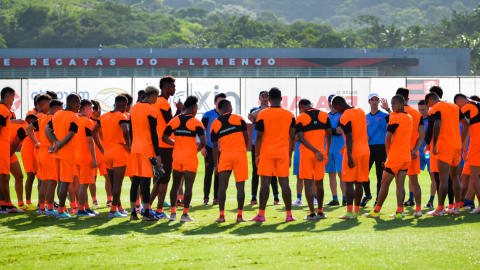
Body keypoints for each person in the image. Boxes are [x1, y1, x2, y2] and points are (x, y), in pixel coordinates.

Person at [249, 87, 296, 222]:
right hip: (283, 153)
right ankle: (289, 215)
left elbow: (258, 137)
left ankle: (261, 215)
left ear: (269, 100)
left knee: (264, 184)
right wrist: (290, 155)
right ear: (281, 99)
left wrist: (257, 155)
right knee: (285, 184)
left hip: (267, 153)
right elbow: (292, 137)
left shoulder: (263, 114)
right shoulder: (290, 114)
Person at [365, 95, 413, 219]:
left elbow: (388, 136)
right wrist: (389, 110)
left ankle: (376, 210)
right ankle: (399, 211)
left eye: (394, 104)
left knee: (384, 183)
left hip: (395, 157)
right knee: (400, 184)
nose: (392, 106)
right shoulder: (409, 117)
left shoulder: (395, 118)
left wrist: (388, 151)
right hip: (406, 157)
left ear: (401, 104)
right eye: (391, 104)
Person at [162, 96, 206, 222]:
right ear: (193, 108)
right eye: (196, 108)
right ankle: (185, 215)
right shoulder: (196, 122)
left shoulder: (174, 120)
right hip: (190, 158)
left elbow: (164, 137)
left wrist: (175, 144)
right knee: (189, 187)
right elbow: (203, 142)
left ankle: (172, 214)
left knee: (175, 185)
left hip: (177, 157)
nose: (196, 110)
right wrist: (195, 151)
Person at [425, 92, 469, 216]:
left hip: (444, 146)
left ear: (430, 102)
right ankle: (457, 208)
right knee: (455, 177)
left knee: (443, 178)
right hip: (456, 146)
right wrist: (460, 141)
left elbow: (436, 125)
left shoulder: (436, 108)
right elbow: (466, 123)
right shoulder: (454, 106)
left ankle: (440, 209)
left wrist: (432, 144)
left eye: (428, 105)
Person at [149, 76, 183, 219]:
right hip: (165, 145)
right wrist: (180, 111)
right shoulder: (163, 103)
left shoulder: (156, 102)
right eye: (172, 87)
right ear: (165, 88)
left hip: (159, 144)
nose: (174, 89)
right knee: (164, 179)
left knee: (159, 179)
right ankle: (159, 211)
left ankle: (148, 207)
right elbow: (171, 123)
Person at [92, 95, 131, 218]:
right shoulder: (122, 115)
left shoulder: (104, 116)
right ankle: (113, 210)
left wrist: (101, 148)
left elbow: (94, 131)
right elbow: (126, 131)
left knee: (114, 183)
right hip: (119, 151)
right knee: (118, 184)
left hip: (107, 152)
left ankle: (118, 207)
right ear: (124, 106)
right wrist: (129, 145)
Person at [211, 99, 249, 222]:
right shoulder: (239, 118)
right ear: (228, 106)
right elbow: (246, 137)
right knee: (240, 188)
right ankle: (239, 216)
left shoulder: (215, 123)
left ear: (218, 109)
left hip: (225, 156)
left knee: (222, 187)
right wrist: (242, 150)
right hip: (240, 155)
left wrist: (216, 164)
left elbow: (215, 147)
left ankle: (221, 216)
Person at [332, 95, 370, 220]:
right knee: (359, 183)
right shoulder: (360, 110)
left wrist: (349, 156)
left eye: (336, 109)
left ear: (339, 105)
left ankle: (349, 213)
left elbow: (349, 136)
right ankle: (356, 212)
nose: (337, 111)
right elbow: (358, 133)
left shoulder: (345, 116)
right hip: (365, 151)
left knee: (348, 183)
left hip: (353, 153)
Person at [129, 86, 162, 221]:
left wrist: (132, 145)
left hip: (135, 148)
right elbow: (154, 134)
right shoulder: (151, 110)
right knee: (146, 181)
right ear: (153, 96)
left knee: (135, 180)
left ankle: (133, 213)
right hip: (147, 149)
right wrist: (158, 154)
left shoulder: (134, 108)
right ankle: (147, 213)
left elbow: (131, 130)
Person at [46, 94, 81, 219]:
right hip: (67, 153)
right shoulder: (74, 117)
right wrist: (60, 144)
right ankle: (61, 211)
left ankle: (62, 209)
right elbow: (71, 134)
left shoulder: (57, 114)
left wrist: (56, 142)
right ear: (74, 103)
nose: (79, 106)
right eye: (79, 103)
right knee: (64, 184)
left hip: (57, 153)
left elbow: (47, 130)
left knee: (60, 183)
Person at [296, 99, 332, 220]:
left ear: (301, 107)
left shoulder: (301, 117)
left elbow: (300, 138)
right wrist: (324, 152)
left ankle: (312, 214)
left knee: (307, 183)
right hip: (321, 154)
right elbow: (329, 134)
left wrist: (314, 151)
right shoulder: (324, 114)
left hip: (306, 153)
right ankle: (321, 212)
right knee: (319, 183)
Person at [27, 99, 63, 216]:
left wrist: (36, 142)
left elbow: (29, 129)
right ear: (57, 109)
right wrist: (53, 143)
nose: (62, 111)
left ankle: (42, 208)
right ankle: (50, 208)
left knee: (43, 182)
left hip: (41, 152)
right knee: (52, 183)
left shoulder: (41, 118)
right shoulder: (53, 118)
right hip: (49, 152)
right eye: (61, 108)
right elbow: (49, 131)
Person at [394, 88, 425, 213]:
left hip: (399, 153)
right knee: (414, 182)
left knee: (399, 183)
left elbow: (390, 134)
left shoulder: (396, 114)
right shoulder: (417, 114)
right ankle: (418, 210)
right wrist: (415, 150)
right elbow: (422, 134)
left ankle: (400, 210)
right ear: (407, 99)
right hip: (412, 153)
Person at [248, 91, 281, 205]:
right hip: (256, 144)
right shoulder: (256, 108)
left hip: (269, 143)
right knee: (256, 171)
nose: (265, 99)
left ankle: (276, 197)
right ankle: (253, 197)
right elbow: (253, 114)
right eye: (263, 97)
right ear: (260, 98)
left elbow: (254, 117)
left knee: (272, 171)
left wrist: (261, 114)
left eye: (267, 97)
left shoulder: (272, 110)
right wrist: (263, 110)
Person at [22, 94, 51, 210]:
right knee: (34, 176)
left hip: (36, 149)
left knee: (40, 177)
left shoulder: (41, 115)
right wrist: (36, 142)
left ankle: (40, 203)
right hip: (32, 149)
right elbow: (29, 128)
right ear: (42, 104)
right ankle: (31, 202)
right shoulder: (40, 116)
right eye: (50, 103)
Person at [454, 93, 480, 213]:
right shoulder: (477, 105)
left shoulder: (466, 107)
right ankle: (464, 202)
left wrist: (462, 148)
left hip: (476, 145)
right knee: (467, 175)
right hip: (474, 146)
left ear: (459, 101)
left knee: (474, 176)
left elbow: (465, 128)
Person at [363, 93, 390, 207]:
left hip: (381, 148)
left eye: (376, 100)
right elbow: (360, 131)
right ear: (369, 102)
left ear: (379, 102)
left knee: (380, 175)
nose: (374, 102)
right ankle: (368, 194)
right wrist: (364, 135)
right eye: (372, 100)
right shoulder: (365, 117)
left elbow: (397, 118)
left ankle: (378, 200)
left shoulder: (384, 115)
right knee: (363, 174)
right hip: (368, 148)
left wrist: (388, 109)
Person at [74, 99, 99, 217]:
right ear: (86, 108)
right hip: (85, 157)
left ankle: (86, 208)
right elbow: (90, 141)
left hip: (76, 156)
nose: (92, 111)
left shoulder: (75, 119)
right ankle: (81, 210)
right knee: (84, 184)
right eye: (91, 108)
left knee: (80, 183)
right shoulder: (88, 122)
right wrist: (94, 158)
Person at [201, 93, 225, 205]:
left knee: (219, 173)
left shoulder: (226, 116)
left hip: (222, 149)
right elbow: (201, 131)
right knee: (209, 172)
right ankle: (206, 198)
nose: (221, 103)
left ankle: (216, 198)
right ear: (215, 102)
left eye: (223, 101)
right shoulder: (208, 114)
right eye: (219, 101)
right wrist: (203, 146)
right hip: (210, 148)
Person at [9, 115, 37, 211]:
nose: (35, 126)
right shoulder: (25, 127)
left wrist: (12, 120)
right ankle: (5, 205)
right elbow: (14, 145)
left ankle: (20, 203)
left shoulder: (21, 123)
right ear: (30, 121)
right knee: (4, 177)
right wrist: (5, 159)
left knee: (19, 176)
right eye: (34, 123)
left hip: (8, 150)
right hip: (6, 150)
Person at [325, 94, 346, 206]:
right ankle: (335, 199)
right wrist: (331, 130)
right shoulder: (325, 116)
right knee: (331, 175)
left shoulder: (342, 115)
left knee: (341, 174)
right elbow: (332, 131)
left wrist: (328, 130)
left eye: (333, 102)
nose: (331, 104)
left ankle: (344, 198)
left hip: (339, 149)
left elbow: (339, 131)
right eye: (329, 101)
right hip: (328, 149)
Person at [417, 100, 436, 208]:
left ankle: (431, 201)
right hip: (418, 150)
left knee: (432, 176)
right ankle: (411, 199)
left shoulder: (433, 119)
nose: (421, 112)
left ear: (428, 108)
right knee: (412, 175)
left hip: (429, 151)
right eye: (419, 109)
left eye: (423, 109)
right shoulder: (416, 119)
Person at [0, 87, 15, 214]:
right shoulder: (3, 109)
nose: (13, 100)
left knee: (4, 176)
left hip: (3, 146)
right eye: (13, 97)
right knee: (3, 176)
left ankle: (4, 204)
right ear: (8, 95)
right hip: (1, 147)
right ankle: (6, 205)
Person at [89, 100, 104, 208]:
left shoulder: (101, 121)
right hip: (91, 155)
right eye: (98, 109)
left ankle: (110, 200)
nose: (100, 111)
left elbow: (103, 136)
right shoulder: (87, 121)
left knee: (109, 177)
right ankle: (94, 201)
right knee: (91, 179)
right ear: (93, 110)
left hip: (103, 153)